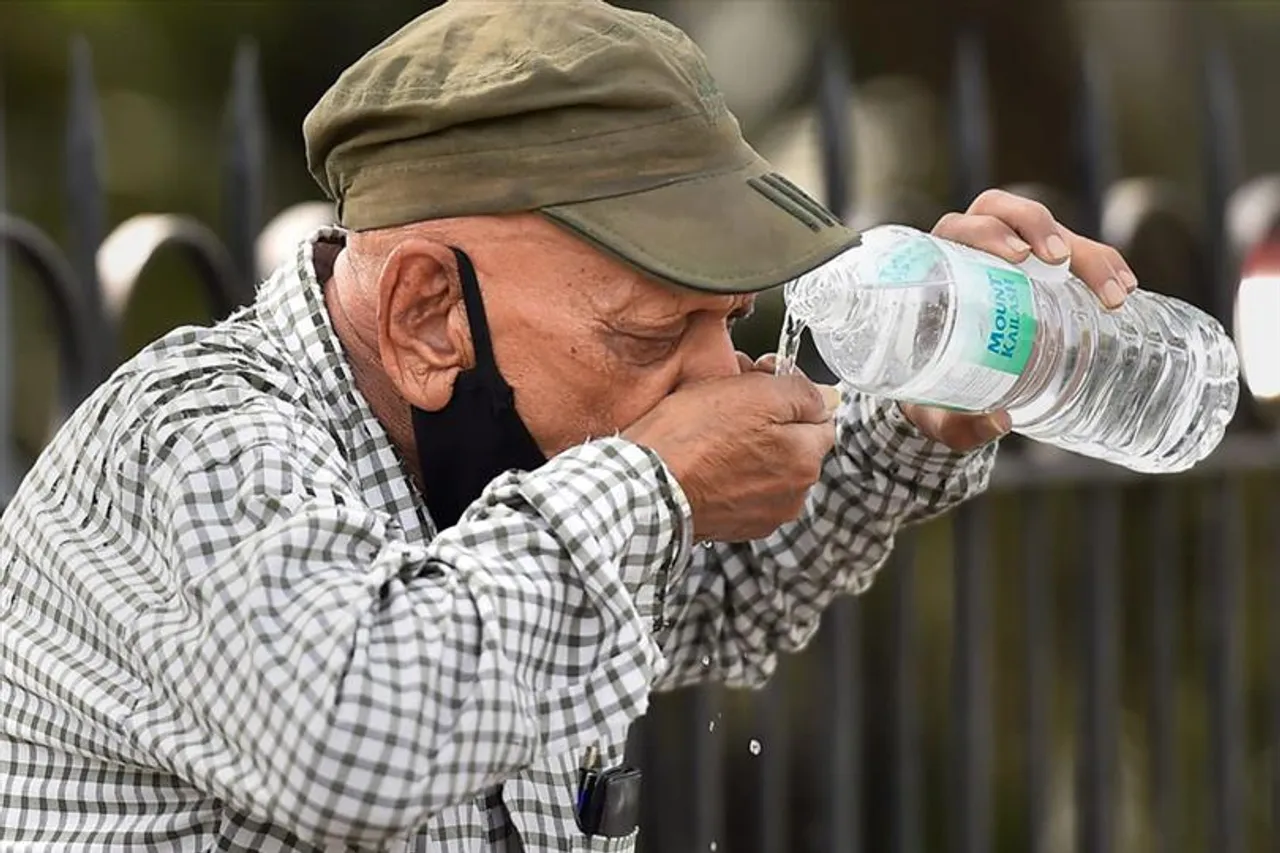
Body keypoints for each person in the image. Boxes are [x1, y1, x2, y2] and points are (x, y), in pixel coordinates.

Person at [0, 1, 1140, 851]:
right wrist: (655, 481)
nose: (710, 379)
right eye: (651, 335)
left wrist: (922, 416)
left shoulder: (498, 442)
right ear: (427, 313)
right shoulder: (191, 442)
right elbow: (350, 741)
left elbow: (713, 593)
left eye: (726, 322)